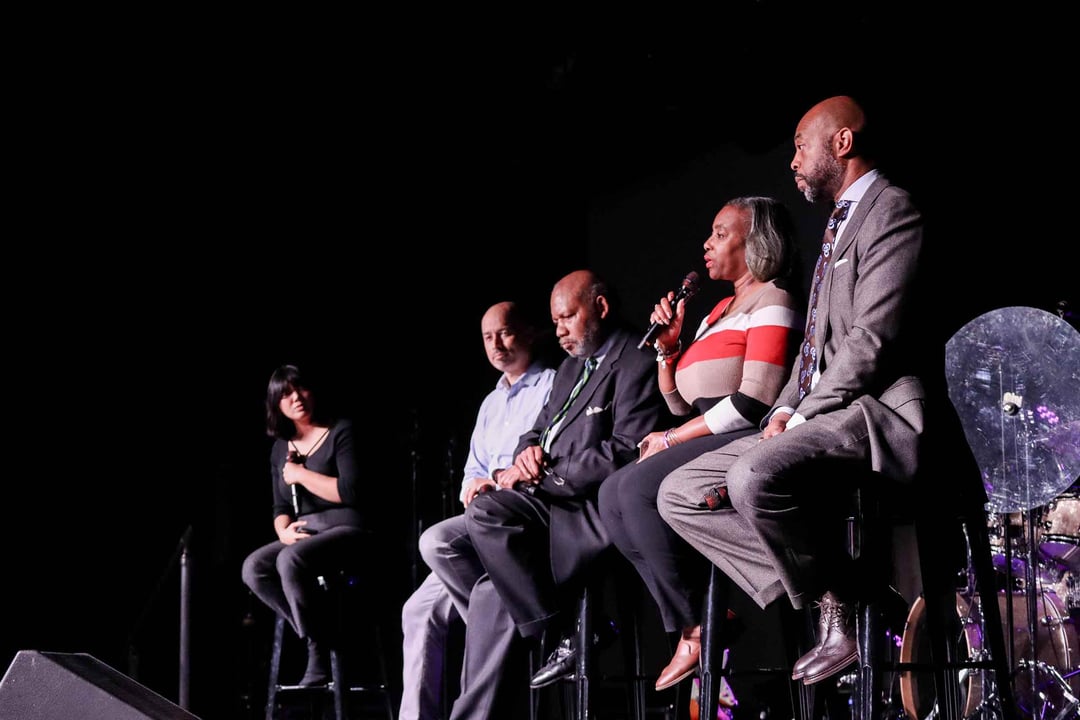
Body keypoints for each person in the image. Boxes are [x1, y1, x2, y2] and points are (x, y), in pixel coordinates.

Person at [658, 95, 927, 687]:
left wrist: (800, 417)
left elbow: (870, 343)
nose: (793, 161)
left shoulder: (891, 211)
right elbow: (812, 349)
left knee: (751, 476)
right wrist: (784, 408)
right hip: (820, 407)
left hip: (873, 408)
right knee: (679, 491)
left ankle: (840, 606)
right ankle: (847, 595)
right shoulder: (836, 222)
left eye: (801, 145)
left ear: (842, 143)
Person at [424, 269, 664, 719]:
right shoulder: (572, 366)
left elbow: (628, 449)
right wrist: (526, 452)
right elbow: (537, 428)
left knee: (489, 544)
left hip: (584, 510)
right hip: (544, 505)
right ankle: (561, 636)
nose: (558, 332)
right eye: (554, 322)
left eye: (567, 318)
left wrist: (545, 476)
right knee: (485, 585)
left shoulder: (636, 358)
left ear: (601, 308)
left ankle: (556, 634)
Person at [593, 196, 803, 694]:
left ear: (756, 244)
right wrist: (668, 352)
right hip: (711, 429)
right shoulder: (716, 312)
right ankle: (697, 621)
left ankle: (695, 626)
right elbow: (682, 405)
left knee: (639, 488)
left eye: (721, 234)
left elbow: (755, 401)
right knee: (610, 494)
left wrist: (669, 439)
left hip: (748, 434)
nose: (706, 245)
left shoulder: (773, 298)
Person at [399, 301, 556, 720]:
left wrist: (502, 476)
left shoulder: (552, 385)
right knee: (416, 611)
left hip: (518, 522)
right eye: (487, 337)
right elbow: (473, 467)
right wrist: (473, 483)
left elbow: (549, 457)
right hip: (478, 524)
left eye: (504, 333)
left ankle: (506, 629)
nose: (496, 344)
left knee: (435, 542)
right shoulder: (490, 403)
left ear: (529, 332)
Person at [241, 364, 366, 686]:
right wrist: (282, 530)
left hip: (346, 527)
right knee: (254, 567)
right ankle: (322, 638)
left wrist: (301, 475)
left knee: (290, 560)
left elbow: (349, 492)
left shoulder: (341, 431)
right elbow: (280, 506)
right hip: (304, 530)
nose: (295, 397)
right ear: (276, 405)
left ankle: (318, 651)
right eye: (285, 394)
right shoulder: (280, 448)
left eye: (300, 388)